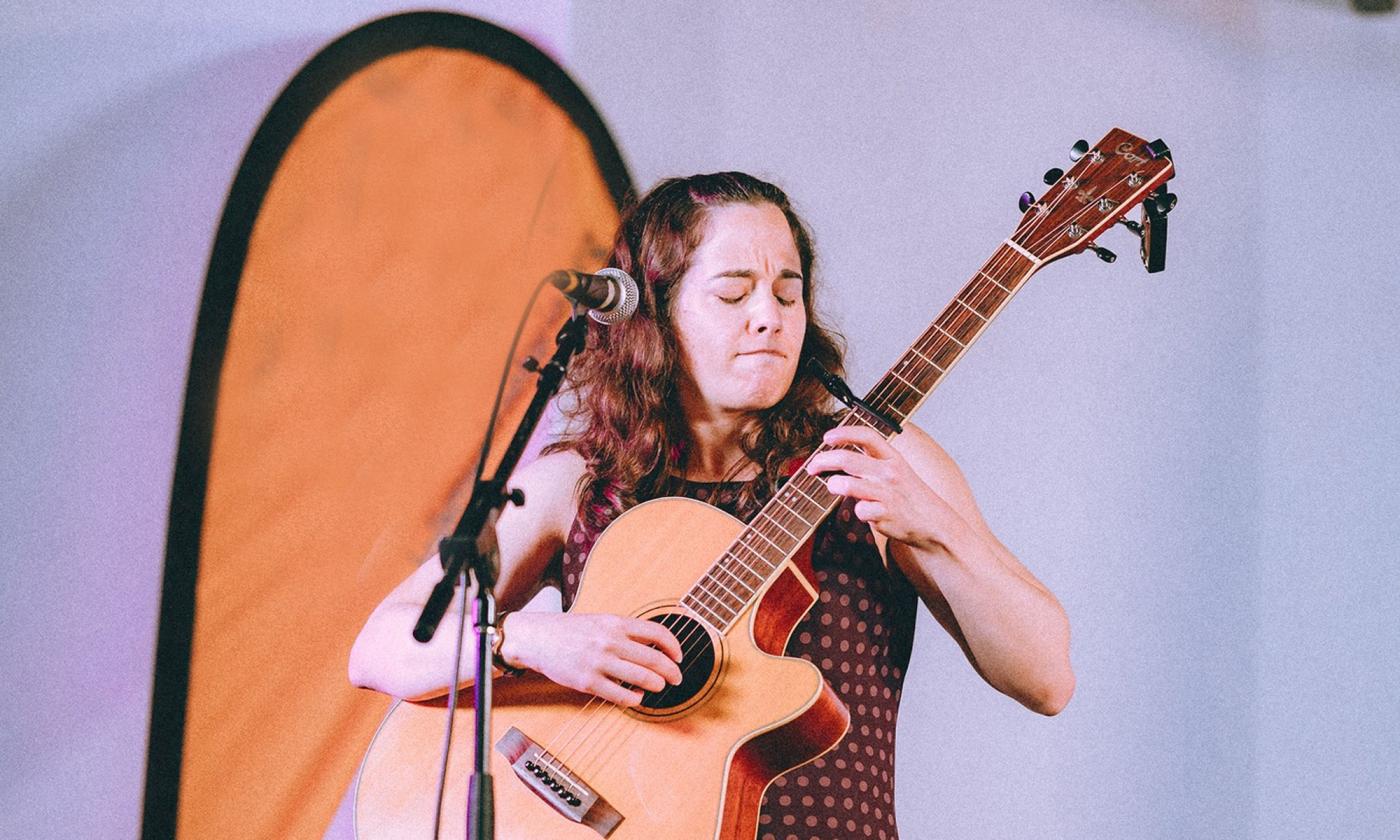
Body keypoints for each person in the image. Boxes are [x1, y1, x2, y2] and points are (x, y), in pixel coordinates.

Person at [349, 172, 1074, 840]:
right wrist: (528, 642)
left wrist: (938, 529)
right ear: (655, 313)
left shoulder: (874, 457)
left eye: (787, 293)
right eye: (734, 294)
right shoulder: (578, 480)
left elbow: (1046, 679)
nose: (770, 318)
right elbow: (380, 646)